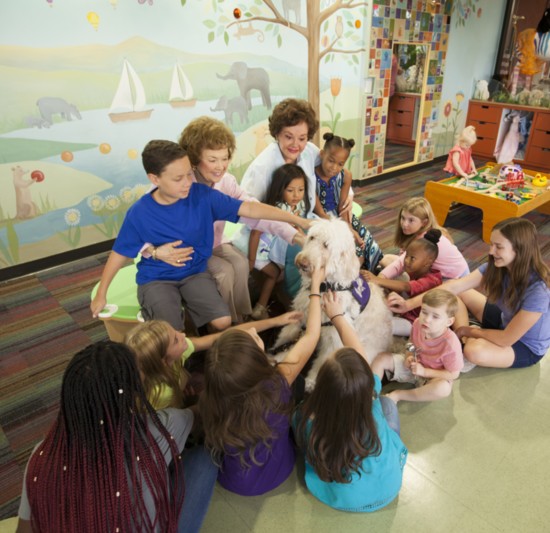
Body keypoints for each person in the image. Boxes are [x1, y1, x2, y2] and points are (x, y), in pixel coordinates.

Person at [90, 140, 310, 332]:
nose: (187, 182)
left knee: (223, 321)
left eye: (189, 174)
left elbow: (251, 210)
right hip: (157, 278)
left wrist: (298, 221)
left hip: (194, 273)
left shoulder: (202, 195)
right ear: (154, 179)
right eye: (178, 178)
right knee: (170, 332)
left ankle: (206, 339)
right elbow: (119, 253)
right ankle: (169, 327)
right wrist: (102, 293)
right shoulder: (140, 212)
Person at [16, 341, 217, 533]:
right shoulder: (159, 428)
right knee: (206, 459)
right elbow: (199, 415)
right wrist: (204, 391)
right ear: (131, 395)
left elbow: (24, 529)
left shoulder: (42, 455)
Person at [145, 117, 305, 323]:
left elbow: (255, 212)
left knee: (239, 263)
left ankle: (240, 317)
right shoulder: (176, 185)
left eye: (225, 158)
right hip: (188, 252)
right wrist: (154, 251)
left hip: (216, 242)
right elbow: (138, 225)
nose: (221, 166)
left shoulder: (226, 182)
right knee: (225, 273)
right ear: (194, 158)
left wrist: (294, 235)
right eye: (212, 160)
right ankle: (223, 323)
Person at [199, 263, 325, 496]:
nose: (255, 334)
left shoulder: (212, 396)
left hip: (234, 480)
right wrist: (315, 285)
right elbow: (312, 334)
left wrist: (274, 321)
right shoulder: (278, 383)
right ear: (256, 362)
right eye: (255, 340)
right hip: (280, 471)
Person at [292, 291, 408, 512]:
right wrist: (338, 316)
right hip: (390, 488)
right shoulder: (371, 393)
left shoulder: (308, 420)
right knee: (387, 405)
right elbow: (360, 355)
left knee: (298, 419)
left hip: (344, 497)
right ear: (364, 381)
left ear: (323, 389)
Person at [388, 218, 550, 369]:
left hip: (524, 345)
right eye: (492, 244)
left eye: (499, 247)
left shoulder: (538, 291)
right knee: (453, 290)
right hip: (503, 320)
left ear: (520, 249)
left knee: (473, 351)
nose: (492, 251)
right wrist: (407, 304)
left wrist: (469, 331)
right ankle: (461, 338)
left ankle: (464, 339)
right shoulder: (498, 267)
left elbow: (507, 338)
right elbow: (452, 287)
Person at [240, 98, 353, 297]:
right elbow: (248, 211)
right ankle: (300, 299)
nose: (296, 144)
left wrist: (349, 195)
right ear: (277, 133)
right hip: (272, 229)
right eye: (288, 137)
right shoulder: (262, 167)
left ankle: (339, 290)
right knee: (300, 250)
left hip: (306, 218)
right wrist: (291, 225)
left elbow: (331, 169)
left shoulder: (309, 151)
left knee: (339, 238)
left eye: (302, 138)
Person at [125, 311, 302, 410]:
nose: (183, 334)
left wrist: (276, 320)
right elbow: (181, 421)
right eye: (176, 339)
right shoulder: (160, 395)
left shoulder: (174, 354)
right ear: (164, 361)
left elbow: (225, 334)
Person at [233, 164, 309, 319]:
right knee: (274, 273)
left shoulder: (296, 206)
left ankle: (260, 307)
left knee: (276, 274)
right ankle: (255, 309)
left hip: (266, 248)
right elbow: (255, 233)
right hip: (252, 248)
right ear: (280, 189)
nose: (296, 195)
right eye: (290, 190)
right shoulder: (277, 210)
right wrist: (251, 260)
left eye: (301, 190)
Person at [372, 288, 463, 403]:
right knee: (381, 358)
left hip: (432, 377)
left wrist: (424, 372)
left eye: (435, 316)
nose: (427, 319)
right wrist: (409, 355)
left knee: (443, 389)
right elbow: (411, 342)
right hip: (414, 366)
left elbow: (454, 374)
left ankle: (399, 395)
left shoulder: (451, 344)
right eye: (424, 312)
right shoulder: (417, 323)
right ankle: (372, 393)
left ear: (449, 322)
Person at [314, 132, 384, 272]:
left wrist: (350, 227)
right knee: (351, 251)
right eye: (331, 161)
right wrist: (346, 230)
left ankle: (374, 271)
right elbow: (320, 212)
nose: (334, 167)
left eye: (340, 164)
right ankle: (351, 276)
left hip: (341, 217)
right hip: (322, 220)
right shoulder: (310, 175)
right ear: (322, 154)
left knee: (367, 242)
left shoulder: (345, 176)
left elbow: (342, 207)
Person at [363, 229, 443, 336]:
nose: (406, 261)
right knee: (393, 287)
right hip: (408, 309)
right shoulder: (417, 270)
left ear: (428, 262)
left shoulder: (433, 280)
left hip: (415, 322)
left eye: (412, 258)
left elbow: (406, 286)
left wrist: (377, 280)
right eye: (406, 256)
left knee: (379, 325)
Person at [380, 196, 469, 281]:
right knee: (386, 260)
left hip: (454, 277)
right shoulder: (424, 231)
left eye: (411, 220)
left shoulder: (425, 240)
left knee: (399, 275)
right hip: (446, 272)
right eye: (403, 218)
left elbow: (401, 264)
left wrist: (379, 279)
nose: (404, 224)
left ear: (424, 223)